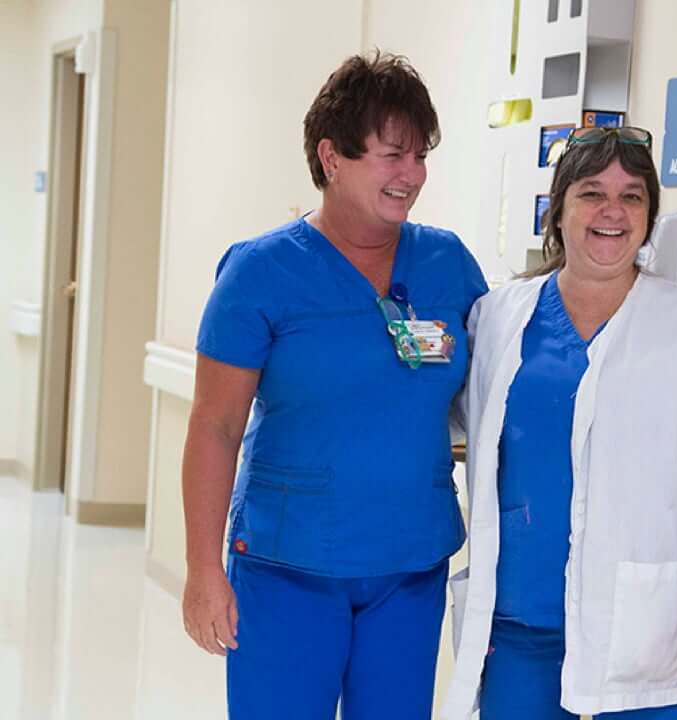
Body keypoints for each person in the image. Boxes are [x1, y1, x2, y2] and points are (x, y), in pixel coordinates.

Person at [180, 51, 487, 720]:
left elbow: (487, 394)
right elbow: (215, 425)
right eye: (392, 155)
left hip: (408, 567)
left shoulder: (447, 264)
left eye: (421, 157)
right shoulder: (260, 274)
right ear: (331, 157)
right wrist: (203, 570)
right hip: (289, 568)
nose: (412, 176)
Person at [442, 126, 677, 719]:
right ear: (560, 209)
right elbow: (457, 417)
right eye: (592, 193)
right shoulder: (498, 318)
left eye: (632, 197)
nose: (612, 212)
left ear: (648, 216)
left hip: (636, 628)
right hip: (517, 619)